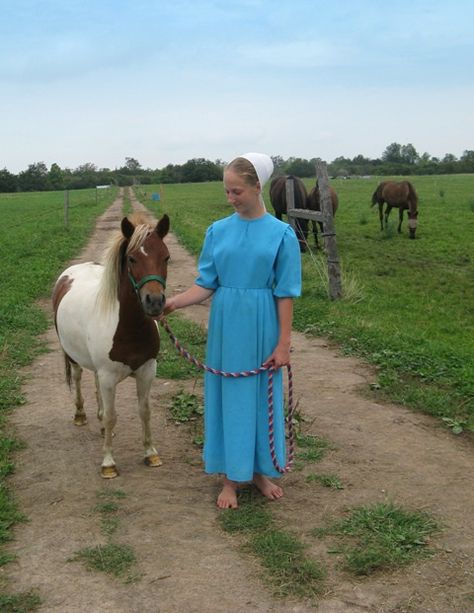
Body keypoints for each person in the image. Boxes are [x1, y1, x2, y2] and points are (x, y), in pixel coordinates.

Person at [163, 152, 301, 509]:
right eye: (227, 191)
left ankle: (258, 472)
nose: (231, 198)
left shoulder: (282, 235)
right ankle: (230, 478)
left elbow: (285, 294)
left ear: (258, 187)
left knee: (260, 397)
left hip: (263, 325)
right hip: (226, 327)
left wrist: (283, 344)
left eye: (237, 191)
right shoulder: (217, 231)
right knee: (229, 398)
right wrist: (175, 302)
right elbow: (207, 283)